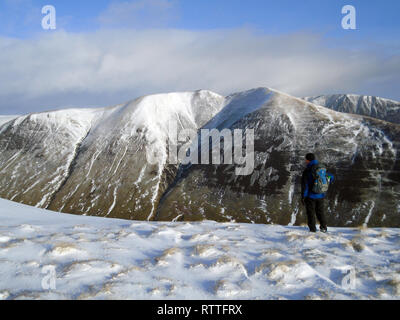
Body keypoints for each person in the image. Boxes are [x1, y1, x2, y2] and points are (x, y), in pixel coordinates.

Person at [301, 153, 334, 233]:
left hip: (311, 196)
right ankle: (323, 227)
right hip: (321, 194)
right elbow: (331, 177)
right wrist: (324, 185)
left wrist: (303, 196)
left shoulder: (308, 170)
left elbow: (305, 185)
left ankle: (312, 229)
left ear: (308, 160)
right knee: (320, 211)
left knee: (311, 212)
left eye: (306, 160)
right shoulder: (321, 168)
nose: (305, 161)